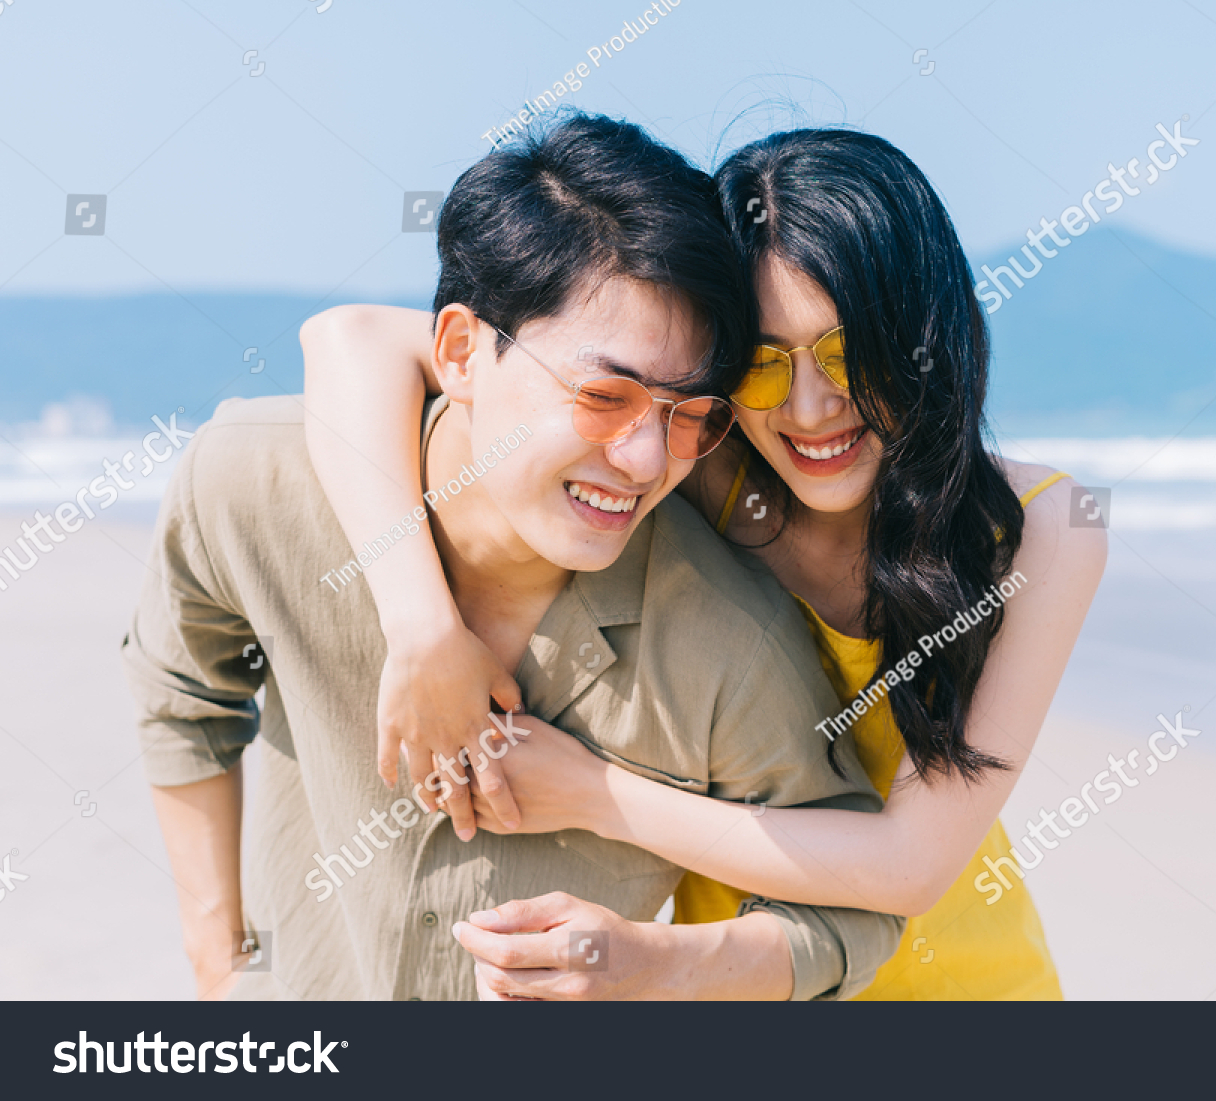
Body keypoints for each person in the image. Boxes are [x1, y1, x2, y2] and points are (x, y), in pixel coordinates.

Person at [302, 126, 1106, 1000]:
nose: (810, 408)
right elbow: (350, 341)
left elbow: (909, 867)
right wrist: (420, 626)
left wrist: (589, 792)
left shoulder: (1033, 529)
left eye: (850, 353)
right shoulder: (690, 455)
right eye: (763, 364)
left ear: (924, 332)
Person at [124, 115, 902, 1002]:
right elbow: (180, 695)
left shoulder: (727, 636)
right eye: (605, 396)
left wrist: (657, 967)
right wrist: (217, 953)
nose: (649, 463)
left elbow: (856, 910)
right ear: (460, 350)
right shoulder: (248, 482)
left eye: (689, 415)